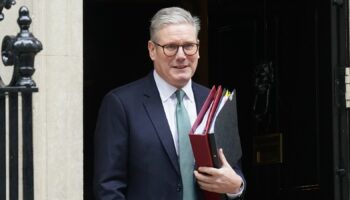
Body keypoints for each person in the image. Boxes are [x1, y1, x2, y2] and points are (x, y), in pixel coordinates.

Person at [93, 6, 245, 200]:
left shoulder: (216, 103)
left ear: (198, 48)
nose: (181, 55)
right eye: (171, 47)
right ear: (152, 50)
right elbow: (108, 187)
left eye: (189, 46)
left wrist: (236, 187)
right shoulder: (121, 104)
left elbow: (234, 171)